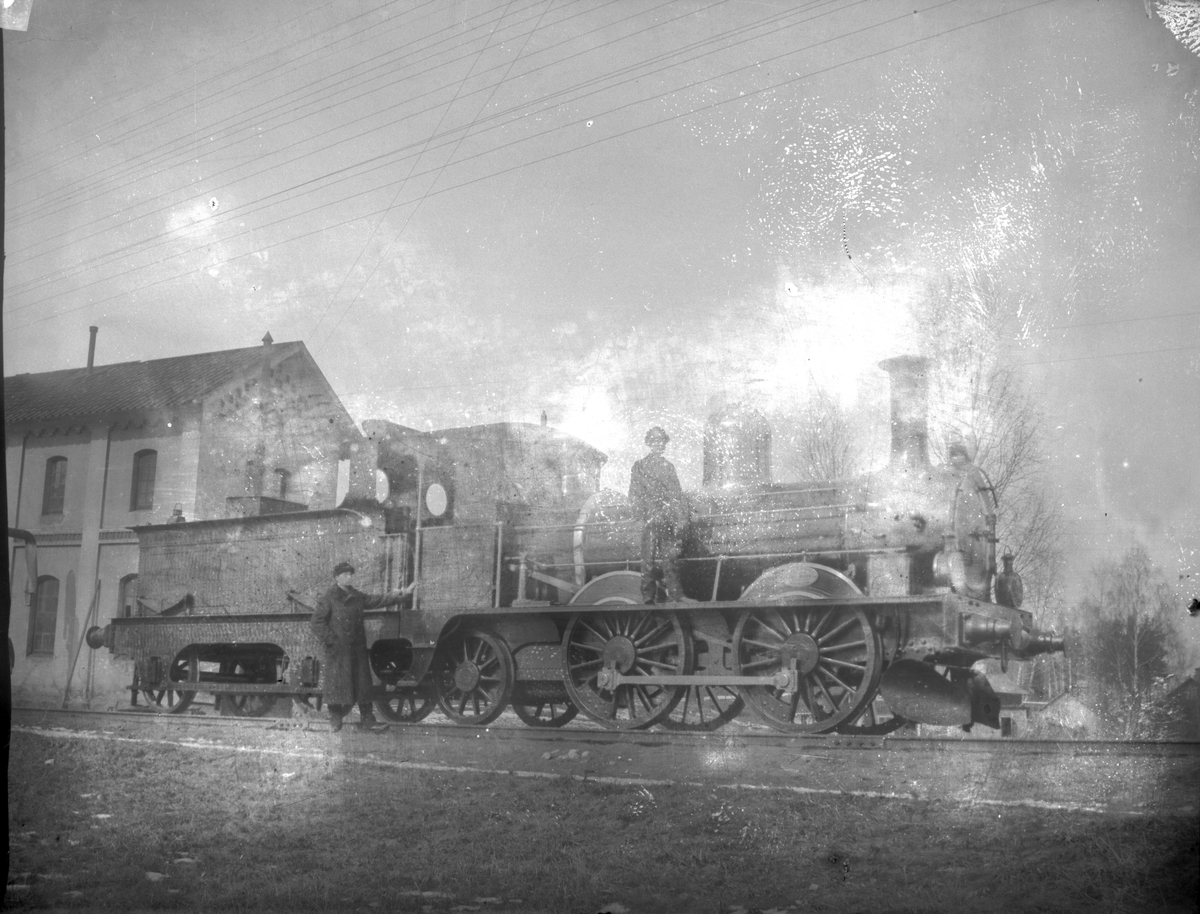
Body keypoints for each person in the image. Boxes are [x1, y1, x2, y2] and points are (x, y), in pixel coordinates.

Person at [310, 561, 416, 731]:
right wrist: (332, 641)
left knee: (363, 687)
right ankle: (335, 719)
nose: (348, 577)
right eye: (345, 575)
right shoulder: (329, 596)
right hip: (338, 650)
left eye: (350, 574)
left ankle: (368, 720)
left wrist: (400, 595)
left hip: (357, 649)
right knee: (336, 686)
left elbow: (377, 600)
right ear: (337, 577)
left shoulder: (356, 595)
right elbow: (316, 621)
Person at [629, 426, 686, 604]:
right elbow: (634, 494)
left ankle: (675, 595)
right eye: (654, 441)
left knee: (670, 560)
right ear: (649, 443)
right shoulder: (639, 466)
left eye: (661, 441)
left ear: (664, 444)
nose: (658, 444)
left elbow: (676, 494)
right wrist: (640, 517)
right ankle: (648, 597)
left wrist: (679, 518)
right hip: (649, 519)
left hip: (666, 519)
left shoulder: (669, 467)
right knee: (648, 561)